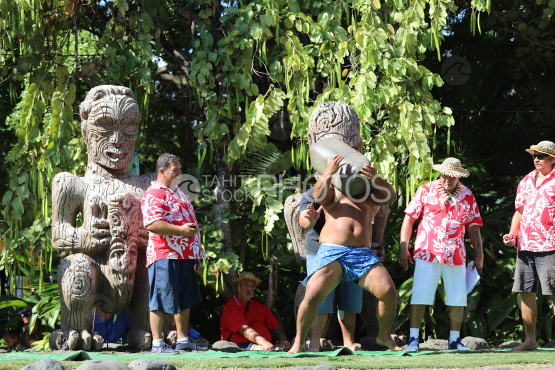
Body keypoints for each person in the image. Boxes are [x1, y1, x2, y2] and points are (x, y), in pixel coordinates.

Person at [288, 155, 400, 354]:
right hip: (333, 251)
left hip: (362, 254)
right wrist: (328, 173)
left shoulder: (371, 193)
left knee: (389, 293)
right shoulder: (334, 191)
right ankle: (298, 342)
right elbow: (318, 193)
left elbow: (391, 196)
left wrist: (376, 178)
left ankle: (384, 335)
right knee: (312, 296)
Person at [399, 157, 484, 352]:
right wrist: (404, 246)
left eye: (452, 176)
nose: (447, 179)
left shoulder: (467, 195)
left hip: (456, 253)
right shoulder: (425, 190)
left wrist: (479, 254)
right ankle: (413, 339)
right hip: (427, 250)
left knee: (458, 296)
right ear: (441, 173)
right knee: (421, 293)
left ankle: (454, 340)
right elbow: (409, 219)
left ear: (458, 177)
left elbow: (474, 227)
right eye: (445, 175)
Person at [141, 153, 207, 354]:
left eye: (180, 169)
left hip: (185, 254)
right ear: (162, 171)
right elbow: (152, 224)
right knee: (160, 300)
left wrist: (197, 245)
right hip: (165, 254)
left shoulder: (178, 191)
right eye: (175, 170)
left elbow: (188, 220)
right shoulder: (154, 193)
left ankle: (183, 339)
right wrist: (180, 231)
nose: (179, 173)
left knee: (184, 299)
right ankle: (157, 344)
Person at [299, 164, 364, 352]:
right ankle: (313, 344)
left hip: (349, 252)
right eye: (325, 173)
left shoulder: (353, 191)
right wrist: (310, 218)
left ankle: (349, 342)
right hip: (320, 253)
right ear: (319, 174)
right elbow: (304, 221)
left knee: (349, 300)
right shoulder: (312, 194)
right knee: (319, 300)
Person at [503, 141, 555, 352]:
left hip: (550, 245)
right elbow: (520, 211)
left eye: (541, 156)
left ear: (552, 159)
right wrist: (512, 234)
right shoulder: (525, 181)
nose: (536, 159)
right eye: (534, 155)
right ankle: (530, 341)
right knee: (526, 292)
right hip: (525, 246)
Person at [220, 272, 290, 351]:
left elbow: (275, 325)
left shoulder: (257, 305)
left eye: (252, 286)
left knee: (283, 348)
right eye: (246, 285)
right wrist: (264, 342)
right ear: (238, 286)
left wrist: (283, 341)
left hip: (261, 344)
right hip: (239, 345)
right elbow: (244, 330)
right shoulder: (231, 307)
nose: (249, 288)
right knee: (261, 349)